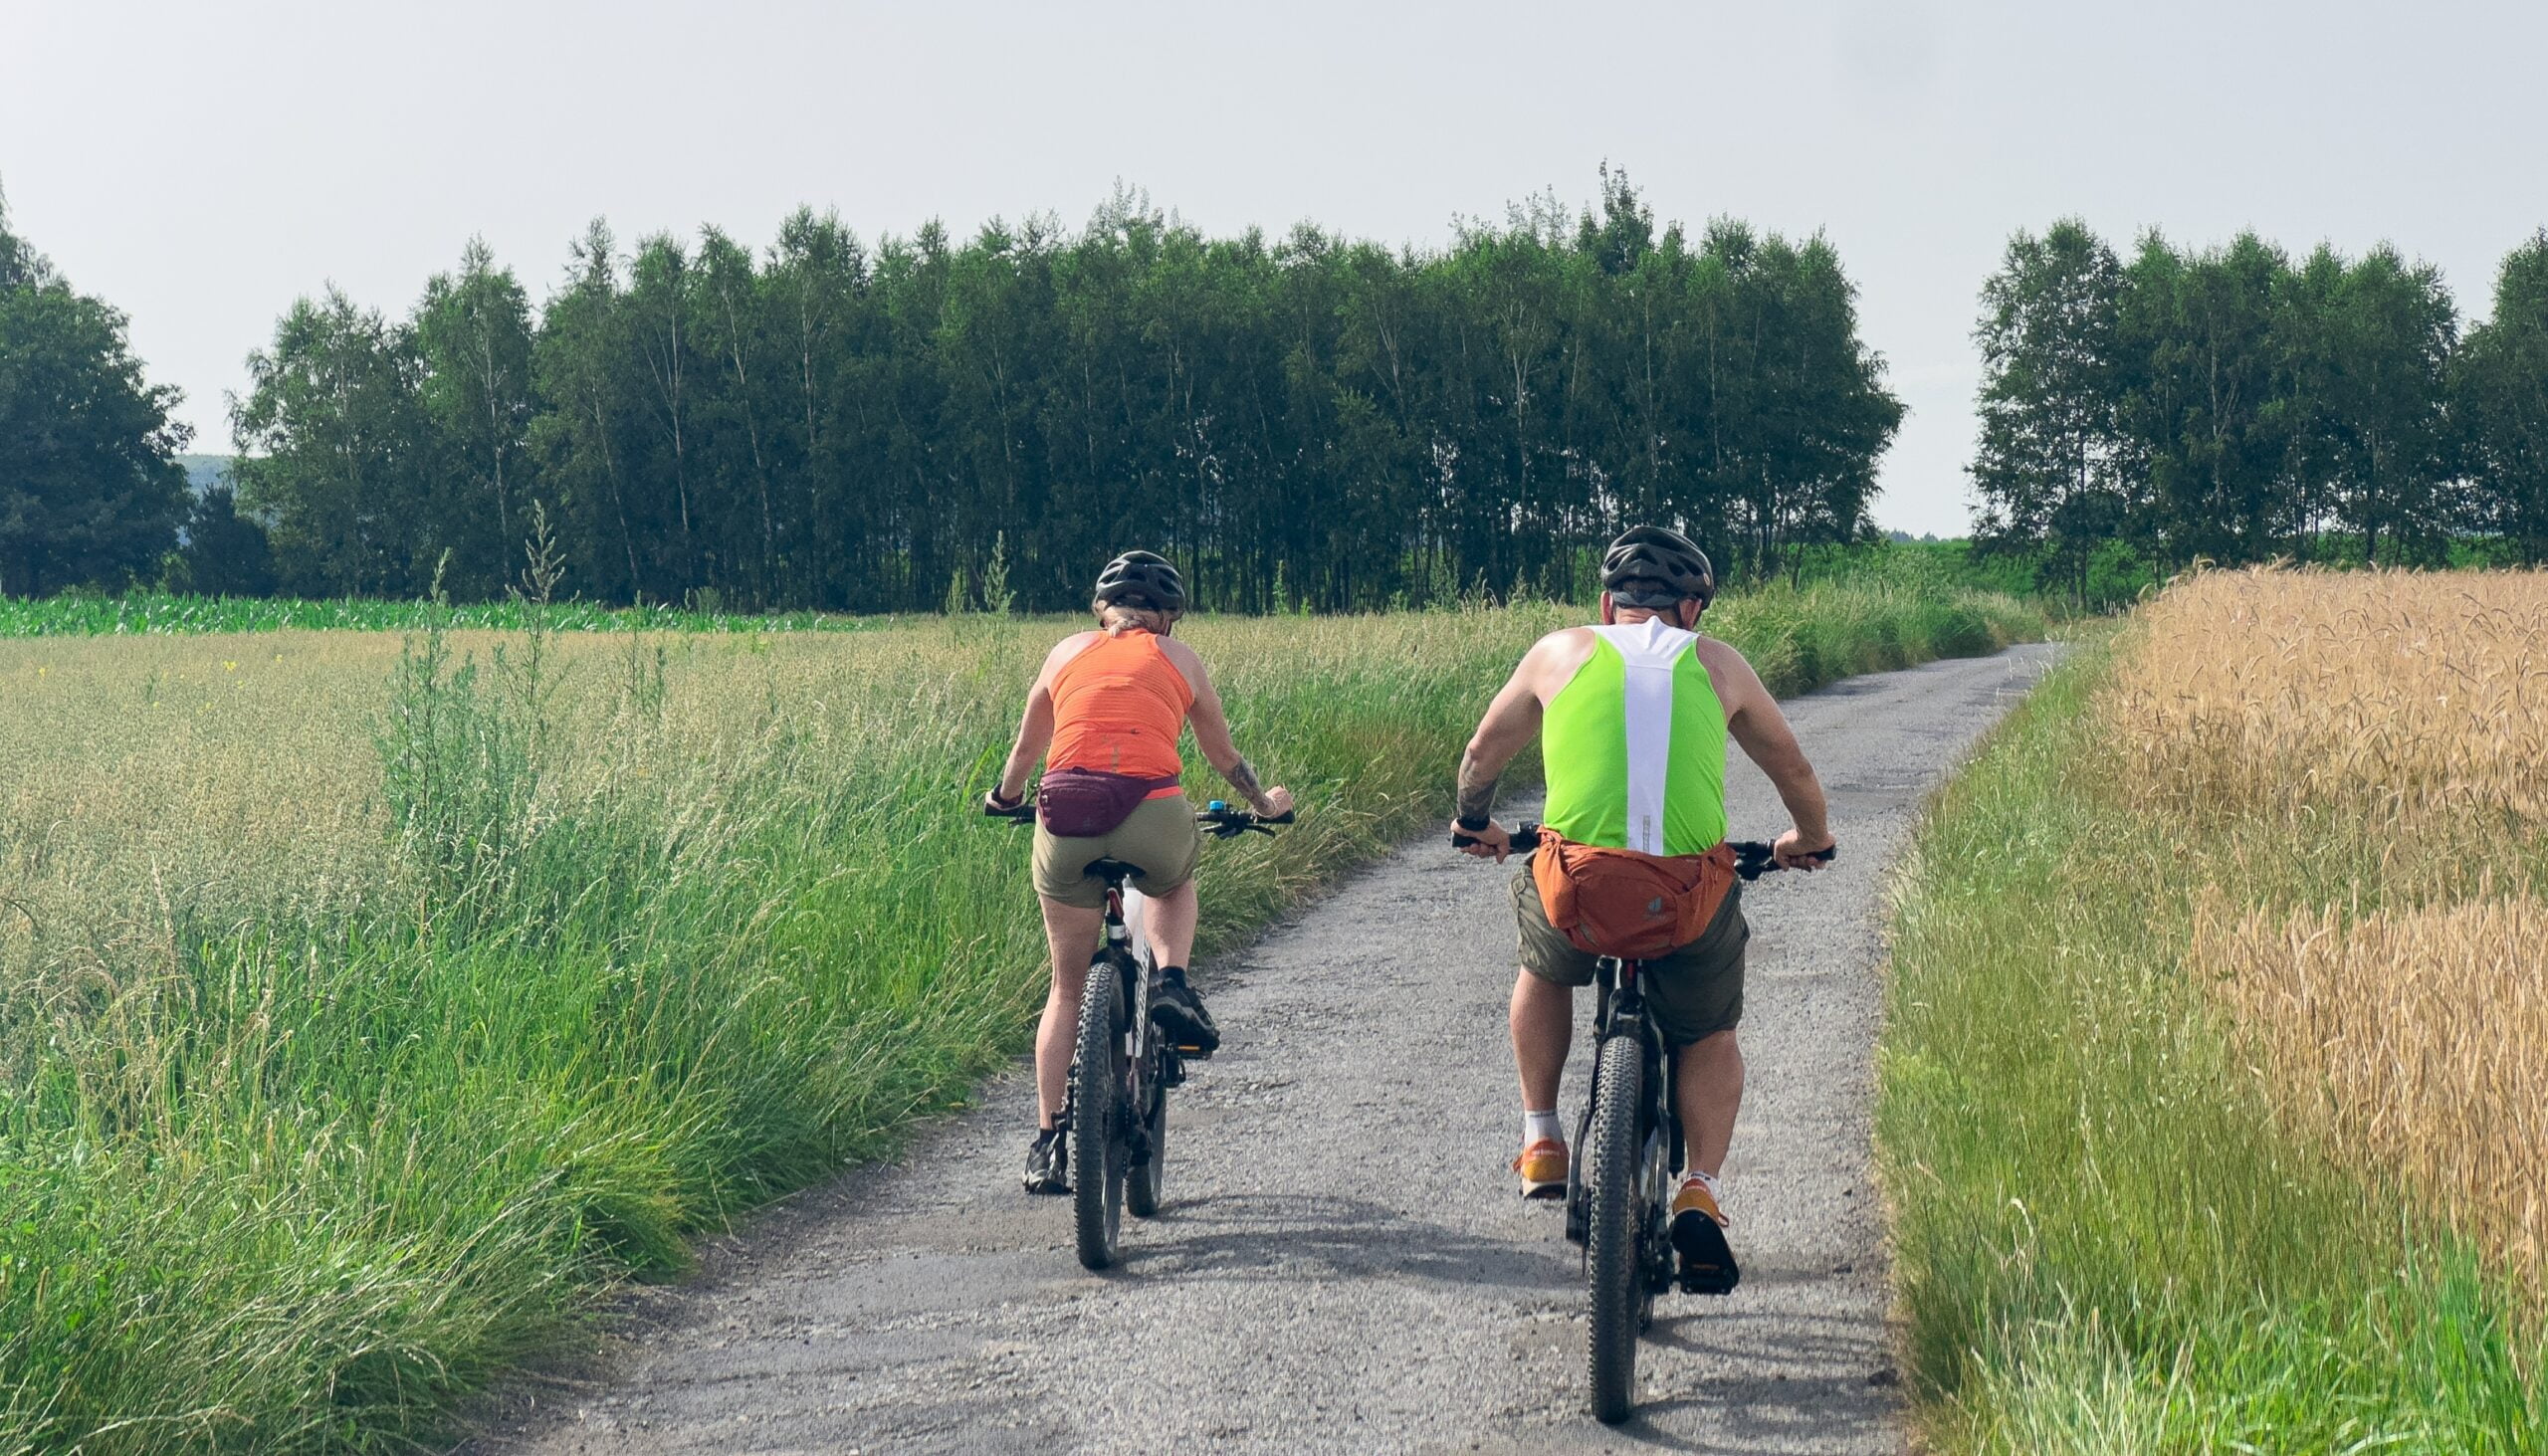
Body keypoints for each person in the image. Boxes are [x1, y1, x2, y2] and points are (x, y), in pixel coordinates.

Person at [1450, 525, 1833, 1272]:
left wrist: (1473, 822)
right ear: (1693, 609)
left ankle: (1541, 1138)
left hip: (1577, 888)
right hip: (1686, 896)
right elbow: (1791, 764)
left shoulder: (1558, 651)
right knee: (1711, 1030)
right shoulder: (1718, 663)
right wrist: (1808, 838)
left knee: (1543, 960)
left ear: (1607, 604)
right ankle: (1699, 1188)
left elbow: (1481, 754)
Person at [987, 550, 1294, 1195]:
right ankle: (1174, 982)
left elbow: (1024, 751)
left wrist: (1007, 797)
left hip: (1063, 813)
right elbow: (1223, 756)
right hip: (1151, 811)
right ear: (1166, 617)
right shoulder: (1178, 660)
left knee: (1065, 989)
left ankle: (1048, 1143)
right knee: (1174, 877)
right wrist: (1264, 805)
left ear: (1103, 610)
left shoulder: (1065, 652)